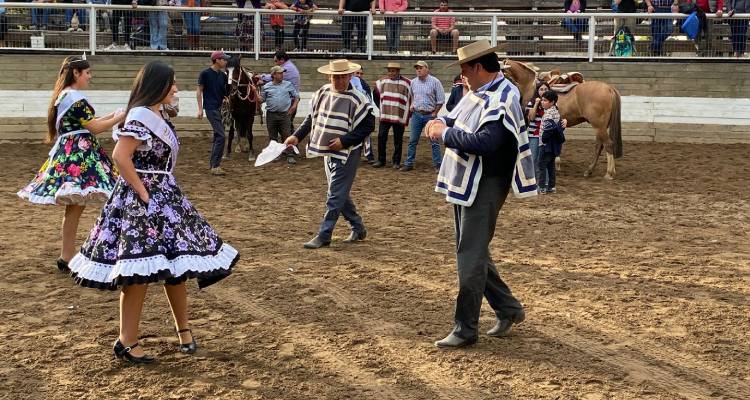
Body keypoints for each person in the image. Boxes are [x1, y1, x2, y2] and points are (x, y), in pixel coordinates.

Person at [68, 61, 238, 364]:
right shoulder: (141, 115)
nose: (175, 88)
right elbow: (121, 156)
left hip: (163, 196)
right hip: (142, 199)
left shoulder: (156, 113)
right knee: (137, 272)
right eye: (171, 83)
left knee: (175, 266)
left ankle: (183, 331)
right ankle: (127, 341)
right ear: (157, 84)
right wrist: (144, 194)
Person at [423, 40, 536, 348]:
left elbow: (486, 141)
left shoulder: (502, 97)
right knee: (473, 252)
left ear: (476, 67)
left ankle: (465, 327)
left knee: (469, 255)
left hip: (485, 180)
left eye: (464, 70)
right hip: (471, 179)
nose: (462, 77)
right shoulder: (481, 92)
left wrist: (442, 133)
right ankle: (508, 309)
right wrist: (440, 122)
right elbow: (452, 116)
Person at [17, 56, 125, 273]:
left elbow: (89, 124)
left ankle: (67, 255)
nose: (90, 77)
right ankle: (74, 254)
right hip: (80, 154)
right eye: (87, 73)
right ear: (76, 73)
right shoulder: (75, 99)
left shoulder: (65, 96)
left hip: (72, 150)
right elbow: (94, 128)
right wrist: (118, 117)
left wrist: (114, 115)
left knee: (76, 205)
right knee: (83, 203)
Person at [283, 59, 375, 249]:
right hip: (328, 149)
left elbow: (368, 126)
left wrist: (344, 141)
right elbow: (312, 118)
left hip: (348, 152)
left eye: (342, 77)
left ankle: (325, 234)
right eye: (336, 77)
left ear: (350, 76)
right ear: (329, 76)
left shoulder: (359, 99)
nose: (339, 81)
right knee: (339, 193)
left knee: (334, 194)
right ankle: (358, 227)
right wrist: (297, 136)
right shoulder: (322, 93)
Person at [402, 60, 444, 172]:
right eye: (417, 68)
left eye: (421, 68)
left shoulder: (435, 82)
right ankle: (409, 163)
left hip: (429, 114)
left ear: (427, 69)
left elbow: (440, 100)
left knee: (434, 141)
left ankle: (438, 164)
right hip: (416, 114)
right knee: (412, 140)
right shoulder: (413, 82)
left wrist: (435, 112)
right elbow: (411, 95)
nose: (418, 70)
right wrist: (412, 105)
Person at [197, 51, 230, 175]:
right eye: (224, 59)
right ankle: (215, 165)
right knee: (221, 135)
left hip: (219, 108)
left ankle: (213, 164)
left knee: (218, 135)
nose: (226, 61)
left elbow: (224, 93)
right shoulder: (205, 74)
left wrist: (226, 99)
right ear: (217, 60)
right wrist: (200, 109)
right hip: (211, 108)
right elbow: (199, 91)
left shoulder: (223, 75)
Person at [373, 62, 411, 168]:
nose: (391, 73)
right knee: (381, 137)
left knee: (398, 139)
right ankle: (381, 160)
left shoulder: (407, 83)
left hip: (399, 115)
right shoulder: (382, 81)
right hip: (385, 115)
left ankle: (396, 162)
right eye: (389, 71)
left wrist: (408, 111)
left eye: (393, 71)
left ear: (398, 71)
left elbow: (411, 96)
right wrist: (380, 107)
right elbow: (375, 94)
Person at [260, 65, 300, 164]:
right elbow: (261, 99)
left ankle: (289, 154)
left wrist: (294, 106)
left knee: (287, 134)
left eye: (282, 73)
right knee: (272, 136)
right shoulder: (266, 87)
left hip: (284, 114)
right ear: (273, 75)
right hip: (271, 114)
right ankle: (275, 154)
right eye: (280, 73)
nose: (282, 74)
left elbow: (296, 96)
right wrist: (255, 93)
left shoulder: (288, 84)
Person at [537, 90, 564, 194]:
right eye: (542, 100)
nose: (542, 102)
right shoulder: (556, 112)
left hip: (545, 145)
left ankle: (542, 187)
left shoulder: (548, 114)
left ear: (552, 102)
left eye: (545, 100)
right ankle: (551, 187)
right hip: (554, 144)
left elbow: (548, 130)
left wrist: (543, 140)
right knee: (550, 165)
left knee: (541, 165)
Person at [526, 81, 550, 180]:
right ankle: (535, 181)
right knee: (533, 158)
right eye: (541, 89)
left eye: (545, 89)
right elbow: (531, 117)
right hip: (534, 135)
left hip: (546, 135)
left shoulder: (552, 104)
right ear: (537, 91)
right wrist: (536, 104)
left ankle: (545, 182)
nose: (543, 91)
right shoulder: (531, 102)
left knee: (544, 160)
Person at [351, 67, 375, 164]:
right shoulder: (354, 83)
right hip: (352, 111)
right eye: (357, 73)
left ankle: (369, 155)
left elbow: (369, 98)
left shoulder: (364, 84)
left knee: (365, 134)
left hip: (362, 111)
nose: (359, 75)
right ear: (353, 73)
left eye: (361, 74)